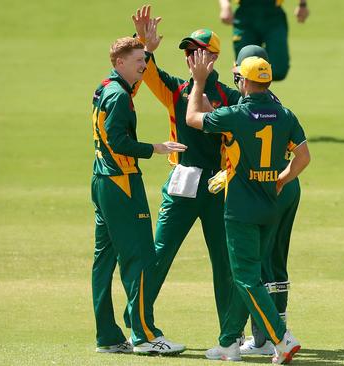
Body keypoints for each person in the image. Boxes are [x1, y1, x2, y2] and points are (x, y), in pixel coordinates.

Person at [186, 51, 310, 364]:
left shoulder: (236, 115)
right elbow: (304, 157)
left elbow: (192, 119)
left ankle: (281, 338)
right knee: (250, 277)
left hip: (240, 209)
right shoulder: (286, 114)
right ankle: (229, 343)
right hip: (270, 206)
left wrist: (199, 83)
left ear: (245, 82)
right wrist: (282, 178)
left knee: (245, 278)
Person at [125, 6, 241, 341]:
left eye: (198, 51)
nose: (191, 57)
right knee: (158, 254)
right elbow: (147, 75)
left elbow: (222, 122)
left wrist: (202, 87)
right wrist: (145, 47)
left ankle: (230, 336)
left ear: (213, 56)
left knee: (225, 264)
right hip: (183, 183)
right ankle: (139, 328)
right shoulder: (176, 90)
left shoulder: (230, 97)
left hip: (219, 187)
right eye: (188, 52)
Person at [90, 36, 186, 355]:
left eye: (144, 61)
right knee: (141, 257)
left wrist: (148, 49)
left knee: (104, 261)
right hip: (122, 183)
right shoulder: (119, 95)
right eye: (137, 62)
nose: (143, 67)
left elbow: (125, 94)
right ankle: (144, 336)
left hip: (102, 180)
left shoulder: (107, 86)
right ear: (119, 63)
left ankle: (107, 336)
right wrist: (154, 148)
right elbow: (118, 140)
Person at [229, 45, 301, 357]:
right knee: (275, 262)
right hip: (286, 185)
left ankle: (265, 339)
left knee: (258, 264)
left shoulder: (251, 105)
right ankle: (272, 333)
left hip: (269, 188)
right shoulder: (276, 105)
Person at [218, 0, 310, 81]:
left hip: (273, 15)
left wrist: (303, 4)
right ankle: (249, 98)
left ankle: (262, 94)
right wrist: (225, 4)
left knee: (279, 70)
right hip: (245, 16)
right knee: (244, 69)